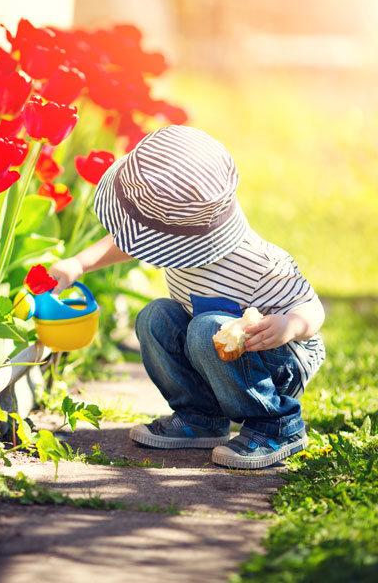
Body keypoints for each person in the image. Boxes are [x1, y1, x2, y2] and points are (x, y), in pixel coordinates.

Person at [49, 125, 325, 469]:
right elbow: (130, 242)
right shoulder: (178, 235)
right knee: (155, 317)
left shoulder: (257, 262)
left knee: (206, 328)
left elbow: (311, 307)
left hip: (279, 359)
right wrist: (79, 263)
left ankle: (278, 424)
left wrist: (289, 325)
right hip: (212, 350)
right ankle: (201, 417)